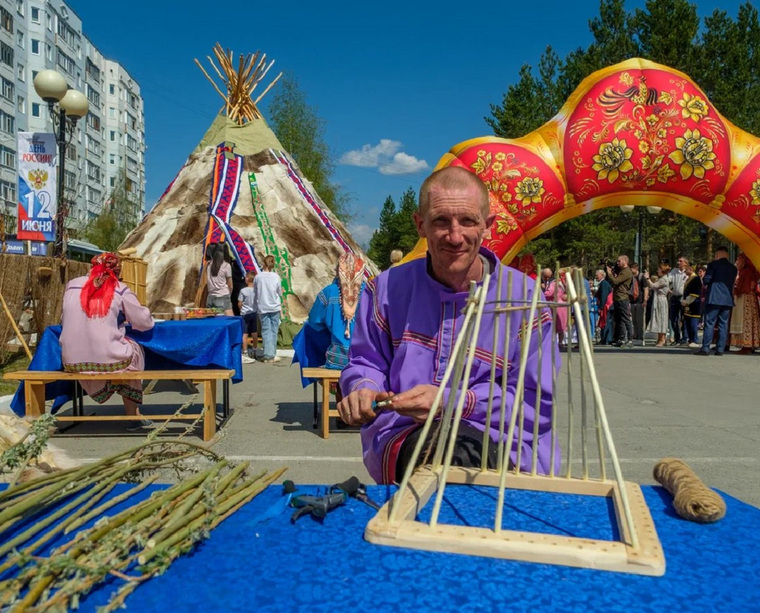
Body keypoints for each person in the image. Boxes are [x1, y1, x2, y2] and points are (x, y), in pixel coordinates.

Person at [337, 166, 559, 484]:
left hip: (503, 444)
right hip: (407, 436)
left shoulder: (525, 300)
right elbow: (365, 362)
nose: (455, 236)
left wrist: (452, 402)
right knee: (435, 460)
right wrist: (363, 388)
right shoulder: (385, 290)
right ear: (420, 224)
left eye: (467, 221)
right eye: (441, 221)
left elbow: (536, 405)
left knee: (459, 461)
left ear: (487, 226)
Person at [60, 253, 155, 430]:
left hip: (72, 361)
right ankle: (132, 415)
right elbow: (144, 322)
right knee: (133, 351)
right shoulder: (119, 287)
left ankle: (102, 390)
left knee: (113, 349)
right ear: (117, 270)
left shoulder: (71, 285)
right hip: (108, 360)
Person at [698, 247, 738, 356]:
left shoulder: (713, 265)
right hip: (727, 299)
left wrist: (704, 281)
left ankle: (705, 348)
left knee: (709, 323)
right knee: (723, 324)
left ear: (717, 254)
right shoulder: (733, 268)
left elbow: (707, 280)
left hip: (714, 297)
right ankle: (720, 349)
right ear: (727, 255)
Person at [729, 253, 760, 354]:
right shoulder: (748, 271)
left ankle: (747, 345)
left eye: (739, 260)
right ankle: (750, 344)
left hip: (745, 298)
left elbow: (745, 288)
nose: (737, 262)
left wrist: (736, 289)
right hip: (750, 298)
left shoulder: (746, 272)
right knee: (751, 320)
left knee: (746, 320)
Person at [254, 254, 282, 363]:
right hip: (274, 306)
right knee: (274, 330)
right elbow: (279, 292)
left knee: (266, 330)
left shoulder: (258, 277)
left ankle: (267, 354)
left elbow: (256, 291)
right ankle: (272, 354)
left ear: (263, 263)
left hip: (262, 306)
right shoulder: (276, 277)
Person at [606, 255, 634, 347]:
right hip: (617, 297)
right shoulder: (621, 271)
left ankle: (630, 339)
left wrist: (609, 273)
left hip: (623, 298)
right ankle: (621, 338)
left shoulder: (626, 272)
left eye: (619, 261)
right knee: (619, 320)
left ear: (625, 261)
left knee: (626, 318)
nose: (617, 263)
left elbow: (615, 281)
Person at [644, 264, 670, 347]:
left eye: (659, 269)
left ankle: (662, 339)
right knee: (658, 318)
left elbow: (653, 285)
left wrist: (648, 278)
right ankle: (659, 338)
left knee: (662, 319)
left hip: (661, 300)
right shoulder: (661, 279)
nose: (657, 271)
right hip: (658, 299)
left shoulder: (664, 279)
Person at [205, 243, 233, 315]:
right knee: (230, 320)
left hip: (210, 297)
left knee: (212, 322)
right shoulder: (226, 265)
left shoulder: (209, 265)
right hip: (223, 296)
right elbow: (230, 284)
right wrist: (229, 294)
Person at [668, 256, 689, 345]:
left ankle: (684, 338)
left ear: (685, 263)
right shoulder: (674, 271)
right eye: (678, 261)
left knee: (684, 318)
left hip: (683, 297)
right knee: (673, 318)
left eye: (680, 261)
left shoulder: (688, 272)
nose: (678, 262)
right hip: (675, 296)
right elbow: (668, 279)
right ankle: (676, 338)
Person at [238, 271, 258, 364]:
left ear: (247, 279)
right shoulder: (256, 290)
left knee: (244, 334)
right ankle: (254, 350)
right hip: (254, 312)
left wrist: (240, 309)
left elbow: (240, 303)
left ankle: (245, 351)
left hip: (245, 313)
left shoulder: (243, 291)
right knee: (254, 333)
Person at [681, 265, 702, 348]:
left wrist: (687, 301)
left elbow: (694, 293)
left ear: (690, 270)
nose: (685, 272)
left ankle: (695, 339)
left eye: (686, 270)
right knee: (687, 322)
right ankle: (690, 339)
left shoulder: (696, 279)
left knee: (693, 322)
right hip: (688, 304)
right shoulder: (689, 278)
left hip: (694, 303)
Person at [595, 269, 613, 345]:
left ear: (602, 275)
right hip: (607, 305)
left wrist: (601, 307)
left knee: (606, 322)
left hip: (607, 306)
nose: (596, 276)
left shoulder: (604, 284)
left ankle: (606, 339)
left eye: (597, 275)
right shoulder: (603, 283)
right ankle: (605, 338)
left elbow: (603, 296)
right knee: (605, 322)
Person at [629, 263, 646, 342]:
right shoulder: (630, 277)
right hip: (632, 300)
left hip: (640, 301)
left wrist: (645, 299)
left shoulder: (641, 277)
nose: (630, 270)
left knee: (639, 320)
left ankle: (640, 335)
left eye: (632, 268)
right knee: (634, 320)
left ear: (636, 268)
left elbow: (646, 288)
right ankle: (635, 334)